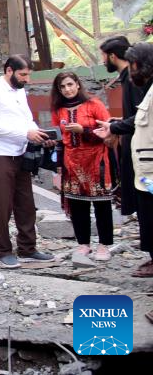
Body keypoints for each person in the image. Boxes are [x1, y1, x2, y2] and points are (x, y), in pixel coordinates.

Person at [0, 55, 55, 268]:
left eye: (28, 75)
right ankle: (3, 251)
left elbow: (26, 119)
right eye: (23, 74)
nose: (27, 79)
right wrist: (26, 133)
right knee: (3, 205)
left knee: (26, 203)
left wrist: (39, 134)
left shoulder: (20, 91)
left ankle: (27, 249)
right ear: (9, 70)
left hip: (21, 153)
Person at [96, 41, 153, 279]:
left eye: (133, 65)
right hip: (144, 165)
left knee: (149, 210)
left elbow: (139, 120)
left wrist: (114, 127)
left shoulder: (143, 87)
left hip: (148, 168)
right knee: (146, 209)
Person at [50, 71, 114, 260]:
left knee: (102, 203)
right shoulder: (58, 110)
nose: (67, 89)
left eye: (70, 84)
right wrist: (58, 162)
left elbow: (109, 131)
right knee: (77, 203)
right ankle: (83, 244)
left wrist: (83, 130)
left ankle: (104, 246)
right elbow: (59, 137)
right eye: (62, 87)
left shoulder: (94, 104)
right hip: (72, 162)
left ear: (78, 84)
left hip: (96, 160)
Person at [99, 35, 140, 216]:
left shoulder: (133, 79)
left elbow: (141, 117)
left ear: (112, 56)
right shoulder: (127, 77)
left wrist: (114, 128)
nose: (103, 61)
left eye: (103, 56)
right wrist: (119, 121)